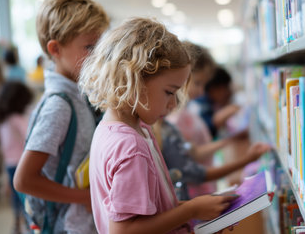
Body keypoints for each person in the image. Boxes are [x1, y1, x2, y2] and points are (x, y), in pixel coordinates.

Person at [78, 17, 238, 234]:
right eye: (169, 92)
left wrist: (197, 210)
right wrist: (190, 210)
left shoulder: (118, 129)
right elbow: (123, 230)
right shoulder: (130, 147)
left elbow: (149, 212)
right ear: (134, 79)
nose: (173, 104)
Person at [13, 0, 109, 233]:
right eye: (89, 47)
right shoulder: (59, 105)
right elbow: (24, 180)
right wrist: (85, 197)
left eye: (101, 47)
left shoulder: (79, 95)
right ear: (55, 49)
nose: (98, 57)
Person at [166, 42, 252, 198]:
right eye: (197, 83)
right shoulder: (175, 118)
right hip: (193, 194)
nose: (201, 92)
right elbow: (192, 161)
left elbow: (194, 151)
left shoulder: (186, 112)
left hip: (200, 190)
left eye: (203, 85)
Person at [154, 117, 270, 201]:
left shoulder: (169, 127)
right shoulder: (167, 133)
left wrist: (231, 140)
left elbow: (196, 153)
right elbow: (198, 173)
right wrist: (247, 159)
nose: (174, 103)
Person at [0, 81, 34, 234]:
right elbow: (30, 137)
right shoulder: (17, 118)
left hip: (9, 164)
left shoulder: (3, 119)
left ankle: (17, 225)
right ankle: (27, 227)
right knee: (26, 200)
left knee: (16, 199)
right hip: (20, 164)